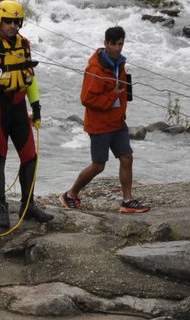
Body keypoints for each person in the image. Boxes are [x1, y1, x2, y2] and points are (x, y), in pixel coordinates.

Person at [0, 1, 55, 231]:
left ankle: (28, 206)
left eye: (16, 21)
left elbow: (29, 76)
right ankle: (0, 206)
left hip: (18, 107)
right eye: (8, 21)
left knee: (30, 156)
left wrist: (35, 106)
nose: (12, 25)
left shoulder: (24, 44)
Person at [61, 27, 148, 214]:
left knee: (127, 158)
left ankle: (127, 200)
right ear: (106, 43)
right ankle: (70, 194)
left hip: (117, 122)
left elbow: (123, 92)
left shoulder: (120, 65)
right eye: (115, 44)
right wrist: (111, 96)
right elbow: (86, 99)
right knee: (98, 166)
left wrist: (121, 108)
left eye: (121, 44)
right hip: (99, 125)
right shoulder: (95, 69)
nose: (118, 48)